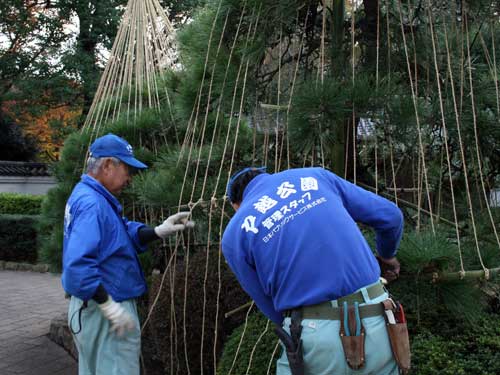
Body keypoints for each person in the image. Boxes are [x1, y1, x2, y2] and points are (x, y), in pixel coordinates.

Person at [222, 166, 406, 375]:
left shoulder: (235, 232)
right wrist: (387, 255)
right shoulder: (314, 177)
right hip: (379, 319)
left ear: (236, 204)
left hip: (315, 337)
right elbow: (391, 217)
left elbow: (268, 304)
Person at [62, 133, 194, 375]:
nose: (130, 179)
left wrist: (157, 231)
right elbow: (77, 266)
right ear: (108, 165)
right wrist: (108, 306)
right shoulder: (93, 204)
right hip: (106, 308)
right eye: (127, 170)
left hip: (91, 308)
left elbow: (117, 236)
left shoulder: (90, 196)